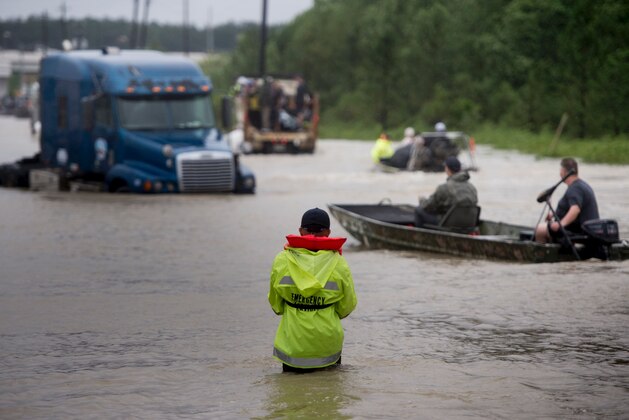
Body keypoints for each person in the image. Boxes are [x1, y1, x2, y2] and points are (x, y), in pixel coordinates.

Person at [269, 208, 357, 373]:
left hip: (293, 344)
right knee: (330, 394)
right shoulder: (339, 263)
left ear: (301, 231)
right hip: (327, 344)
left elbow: (276, 305)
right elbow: (347, 306)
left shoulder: (281, 260)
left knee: (290, 395)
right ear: (328, 232)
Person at [534, 158, 599, 243]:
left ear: (564, 171)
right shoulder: (583, 185)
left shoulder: (575, 188)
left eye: (560, 171)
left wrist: (560, 224)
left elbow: (575, 209)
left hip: (581, 234)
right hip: (585, 231)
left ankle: (542, 254)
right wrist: (554, 216)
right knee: (547, 227)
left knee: (540, 229)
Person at [415, 156, 478, 227]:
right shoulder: (472, 188)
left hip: (449, 224)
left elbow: (428, 206)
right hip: (469, 224)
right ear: (460, 169)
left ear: (447, 169)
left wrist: (422, 200)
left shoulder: (444, 188)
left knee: (418, 210)